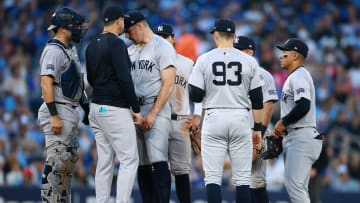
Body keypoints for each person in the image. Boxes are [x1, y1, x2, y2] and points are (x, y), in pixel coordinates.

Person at [188, 19, 264, 203]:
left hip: (214, 118)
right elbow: (257, 100)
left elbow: (195, 94)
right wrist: (258, 129)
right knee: (243, 179)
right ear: (235, 36)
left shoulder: (204, 59)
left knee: (213, 178)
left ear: (215, 35)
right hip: (241, 117)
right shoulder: (249, 61)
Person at [85, 6, 142, 203]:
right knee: (129, 159)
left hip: (96, 108)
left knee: (104, 161)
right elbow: (125, 79)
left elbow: (91, 79)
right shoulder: (116, 44)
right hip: (114, 108)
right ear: (118, 21)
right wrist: (135, 108)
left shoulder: (91, 45)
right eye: (123, 21)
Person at [124, 11, 176, 203]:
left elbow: (168, 84)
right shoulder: (130, 50)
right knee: (142, 162)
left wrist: (153, 113)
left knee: (157, 158)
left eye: (129, 31)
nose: (127, 36)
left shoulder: (162, 46)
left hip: (157, 107)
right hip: (136, 110)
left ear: (139, 26)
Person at [37, 7, 87, 202]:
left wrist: (86, 106)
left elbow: (75, 84)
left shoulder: (69, 50)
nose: (79, 29)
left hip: (69, 110)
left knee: (67, 165)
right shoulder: (53, 50)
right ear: (64, 28)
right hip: (58, 108)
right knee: (56, 164)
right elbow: (46, 82)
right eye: (75, 25)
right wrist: (54, 115)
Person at [272, 38, 323, 203]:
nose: (281, 56)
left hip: (301, 136)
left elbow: (304, 106)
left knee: (295, 187)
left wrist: (283, 122)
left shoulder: (300, 75)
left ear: (294, 56)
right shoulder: (294, 76)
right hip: (297, 136)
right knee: (299, 188)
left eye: (284, 53)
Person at [154, 23, 197, 203]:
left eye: (165, 37)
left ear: (173, 39)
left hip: (181, 121)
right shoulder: (151, 63)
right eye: (159, 37)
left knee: (182, 171)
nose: (162, 41)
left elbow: (200, 94)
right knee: (158, 168)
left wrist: (198, 116)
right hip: (158, 120)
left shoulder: (187, 64)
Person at [234, 36, 278, 203]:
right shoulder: (233, 75)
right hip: (237, 131)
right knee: (241, 180)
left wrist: (260, 133)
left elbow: (268, 107)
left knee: (257, 181)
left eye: (238, 50)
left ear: (250, 52)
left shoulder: (263, 75)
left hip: (256, 131)